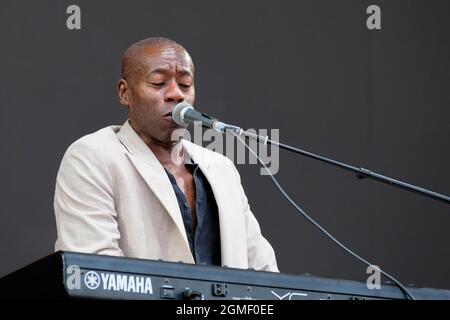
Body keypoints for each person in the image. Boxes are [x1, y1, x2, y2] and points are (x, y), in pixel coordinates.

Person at [53, 37, 278, 272]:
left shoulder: (221, 168)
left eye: (185, 84)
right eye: (159, 83)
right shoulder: (92, 157)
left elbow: (265, 273)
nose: (175, 94)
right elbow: (96, 273)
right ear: (124, 93)